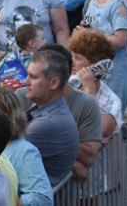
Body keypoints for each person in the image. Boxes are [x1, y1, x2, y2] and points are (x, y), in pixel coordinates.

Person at [80, 0, 127, 114]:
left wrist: (91, 39)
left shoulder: (118, 4)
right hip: (93, 69)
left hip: (114, 73)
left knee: (110, 118)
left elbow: (122, 39)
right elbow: (86, 22)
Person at [21, 49, 79, 185]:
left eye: (33, 77)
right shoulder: (50, 112)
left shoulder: (47, 124)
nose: (26, 82)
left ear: (54, 83)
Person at [67, 29, 121, 137]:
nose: (72, 61)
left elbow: (102, 130)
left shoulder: (110, 100)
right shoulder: (64, 87)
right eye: (71, 56)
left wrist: (90, 93)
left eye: (77, 58)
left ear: (96, 64)